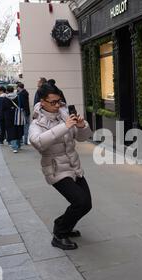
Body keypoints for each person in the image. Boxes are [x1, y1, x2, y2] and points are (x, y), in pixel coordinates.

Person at [29, 84, 93, 250]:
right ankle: (60, 234)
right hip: (56, 169)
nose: (58, 105)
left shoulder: (65, 114)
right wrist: (64, 127)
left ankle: (63, 223)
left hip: (74, 165)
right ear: (42, 102)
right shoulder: (37, 123)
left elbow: (83, 138)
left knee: (87, 204)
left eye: (60, 101)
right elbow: (38, 143)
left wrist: (81, 127)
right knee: (79, 201)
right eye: (53, 102)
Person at [0, 86, 25, 153]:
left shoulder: (5, 98)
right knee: (18, 130)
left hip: (8, 117)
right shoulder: (18, 97)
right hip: (18, 116)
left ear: (7, 91)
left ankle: (14, 147)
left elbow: (2, 109)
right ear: (13, 90)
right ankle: (19, 145)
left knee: (11, 131)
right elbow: (22, 106)